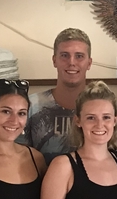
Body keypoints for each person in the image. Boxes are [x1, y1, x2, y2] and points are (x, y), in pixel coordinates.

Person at [22, 28, 92, 163]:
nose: (72, 62)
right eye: (64, 55)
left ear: (89, 63)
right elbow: (19, 157)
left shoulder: (103, 106)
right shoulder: (31, 106)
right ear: (54, 60)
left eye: (79, 56)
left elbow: (113, 153)